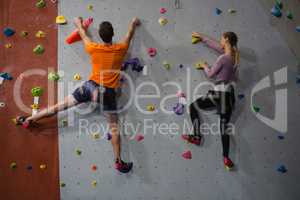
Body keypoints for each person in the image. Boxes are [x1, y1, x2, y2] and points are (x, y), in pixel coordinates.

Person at [15, 16, 141, 173]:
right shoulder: (121, 49)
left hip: (89, 86)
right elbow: (129, 35)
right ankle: (118, 161)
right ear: (112, 34)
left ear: (101, 36)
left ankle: (29, 119)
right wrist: (133, 23)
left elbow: (83, 34)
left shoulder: (93, 48)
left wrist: (78, 23)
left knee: (59, 106)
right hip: (108, 93)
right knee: (114, 128)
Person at [182, 31, 240, 170]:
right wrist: (203, 38)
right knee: (223, 128)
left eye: (221, 38)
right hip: (230, 97)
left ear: (226, 39)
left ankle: (196, 135)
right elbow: (219, 48)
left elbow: (211, 74)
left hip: (219, 94)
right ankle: (226, 157)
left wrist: (204, 66)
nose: (220, 41)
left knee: (193, 106)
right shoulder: (235, 58)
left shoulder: (223, 59)